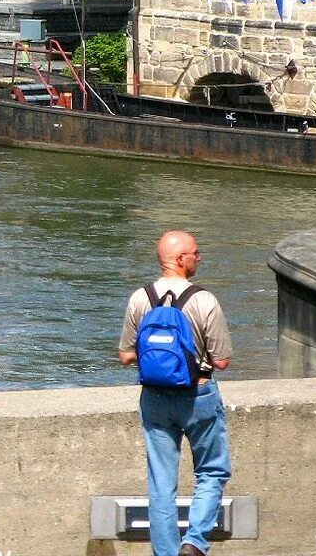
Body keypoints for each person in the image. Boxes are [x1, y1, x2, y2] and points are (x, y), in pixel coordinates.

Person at [117, 231, 233, 556]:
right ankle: (194, 543)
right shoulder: (204, 300)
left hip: (154, 398)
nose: (199, 257)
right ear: (181, 260)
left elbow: (125, 355)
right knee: (212, 470)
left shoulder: (140, 298)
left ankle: (166, 553)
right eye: (195, 253)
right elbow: (222, 361)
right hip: (198, 397)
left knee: (161, 483)